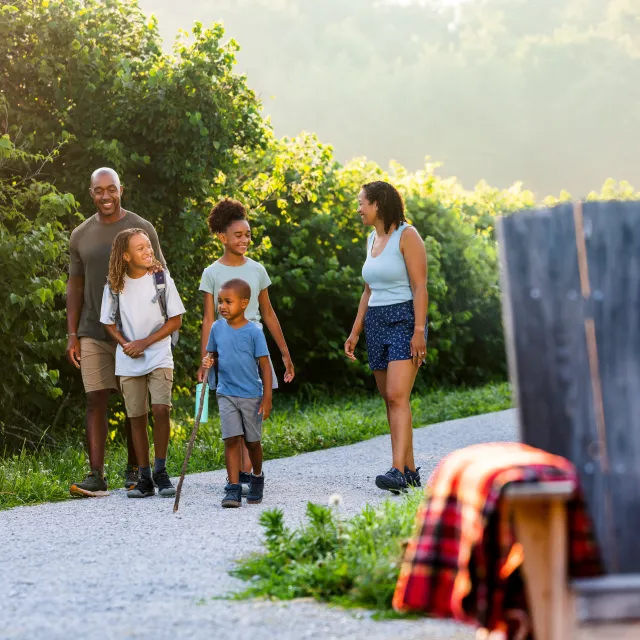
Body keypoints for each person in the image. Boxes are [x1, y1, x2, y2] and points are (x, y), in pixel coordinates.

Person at [67, 168, 166, 497]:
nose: (106, 196)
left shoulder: (141, 229)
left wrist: (162, 324)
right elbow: (75, 285)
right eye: (99, 190)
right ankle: (96, 475)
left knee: (133, 400)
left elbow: (159, 274)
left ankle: (135, 469)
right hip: (93, 329)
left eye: (112, 189)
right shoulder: (80, 235)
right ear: (91, 193)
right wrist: (72, 334)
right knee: (95, 397)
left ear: (121, 190)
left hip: (135, 332)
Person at [197, 198, 293, 494]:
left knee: (249, 414)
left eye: (248, 235)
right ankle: (236, 478)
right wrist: (205, 358)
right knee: (231, 415)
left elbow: (268, 312)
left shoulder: (257, 270)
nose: (245, 240)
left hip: (252, 348)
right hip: (224, 351)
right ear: (222, 237)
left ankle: (247, 475)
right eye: (238, 235)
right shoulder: (212, 273)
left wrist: (285, 353)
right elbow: (208, 319)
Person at [344, 181, 428, 494]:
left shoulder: (408, 236)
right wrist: (355, 332)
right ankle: (408, 470)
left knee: (396, 395)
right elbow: (368, 291)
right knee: (390, 398)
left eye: (362, 202)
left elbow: (420, 287)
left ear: (378, 203)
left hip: (405, 319)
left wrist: (419, 331)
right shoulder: (371, 239)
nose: (359, 208)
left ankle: (396, 470)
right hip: (377, 322)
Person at [100, 228, 185, 498]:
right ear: (125, 256)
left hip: (158, 352)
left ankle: (161, 472)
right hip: (128, 358)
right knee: (136, 417)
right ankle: (145, 477)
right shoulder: (115, 285)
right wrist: (126, 343)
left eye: (149, 245)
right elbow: (108, 322)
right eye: (140, 248)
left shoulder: (161, 279)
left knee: (161, 410)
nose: (149, 250)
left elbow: (175, 320)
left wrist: (143, 343)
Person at [201, 278, 272, 508]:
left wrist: (267, 398)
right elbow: (212, 354)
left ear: (244, 304)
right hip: (226, 392)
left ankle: (257, 477)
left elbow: (265, 366)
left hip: (251, 395)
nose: (222, 306)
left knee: (252, 442)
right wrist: (207, 362)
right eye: (220, 301)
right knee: (231, 439)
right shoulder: (216, 328)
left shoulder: (254, 332)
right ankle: (232, 487)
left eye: (227, 301)